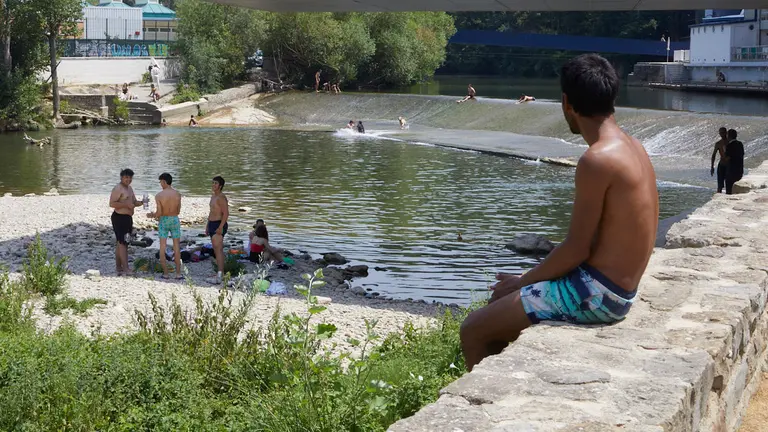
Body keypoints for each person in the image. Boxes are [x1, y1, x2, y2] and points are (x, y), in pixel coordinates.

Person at [460, 54, 659, 372]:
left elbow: (576, 248)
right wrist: (526, 283)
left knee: (472, 330)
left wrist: (522, 280)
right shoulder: (634, 146)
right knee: (498, 311)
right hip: (619, 290)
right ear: (612, 97)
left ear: (567, 102)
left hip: (597, 295)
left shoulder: (597, 159)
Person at [109, 169, 144, 276]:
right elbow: (112, 203)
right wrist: (125, 205)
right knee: (123, 243)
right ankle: (126, 268)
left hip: (127, 218)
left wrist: (142, 202)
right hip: (119, 217)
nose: (128, 180)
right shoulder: (118, 188)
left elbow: (133, 202)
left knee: (121, 243)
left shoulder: (129, 188)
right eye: (126, 177)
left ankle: (119, 267)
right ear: (121, 177)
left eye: (130, 178)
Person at [148, 173, 183, 279]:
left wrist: (152, 215)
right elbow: (178, 210)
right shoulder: (177, 194)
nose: (160, 184)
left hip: (163, 221)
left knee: (162, 247)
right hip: (174, 219)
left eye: (160, 182)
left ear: (164, 181)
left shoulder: (159, 196)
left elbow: (159, 213)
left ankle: (166, 273)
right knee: (176, 247)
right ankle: (178, 273)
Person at [206, 176, 229, 283]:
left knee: (218, 250)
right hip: (211, 223)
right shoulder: (213, 196)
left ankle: (220, 274)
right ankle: (220, 272)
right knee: (216, 250)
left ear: (220, 186)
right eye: (213, 183)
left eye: (215, 183)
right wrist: (207, 225)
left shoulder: (221, 197)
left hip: (219, 224)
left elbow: (226, 213)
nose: (213, 185)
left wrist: (220, 227)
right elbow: (211, 212)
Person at [724, 129, 744, 195]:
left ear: (728, 136)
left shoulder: (729, 146)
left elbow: (726, 158)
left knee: (729, 191)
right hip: (739, 170)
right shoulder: (740, 144)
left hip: (731, 171)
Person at [710, 127, 729, 193]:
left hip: (729, 165)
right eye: (721, 133)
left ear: (726, 133)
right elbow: (713, 155)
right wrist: (712, 167)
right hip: (722, 165)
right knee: (720, 185)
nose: (722, 134)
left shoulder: (730, 142)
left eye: (723, 133)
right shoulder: (718, 143)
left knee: (729, 184)